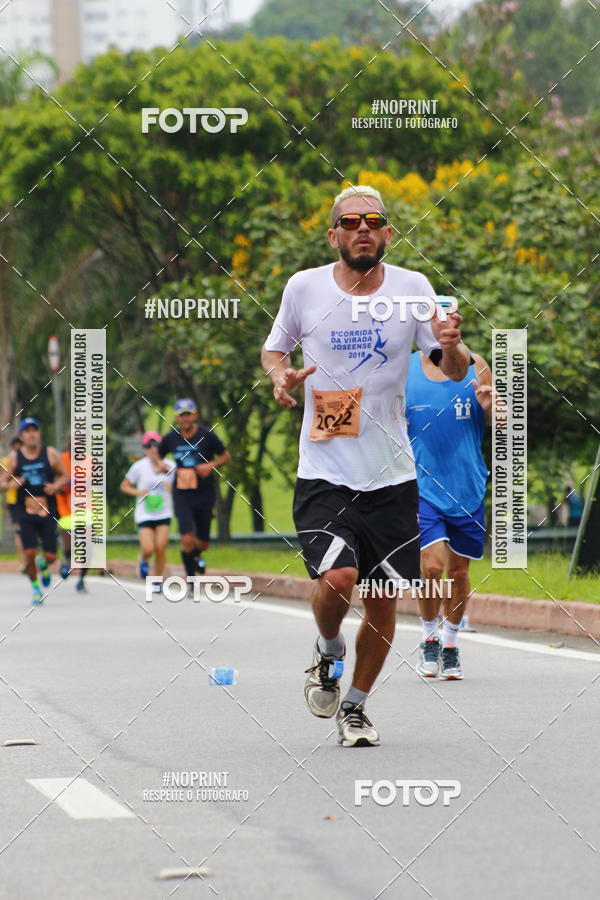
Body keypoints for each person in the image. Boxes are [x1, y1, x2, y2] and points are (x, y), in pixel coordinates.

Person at [261, 185, 470, 747]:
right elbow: (275, 349)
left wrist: (452, 344)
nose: (362, 229)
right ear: (334, 234)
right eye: (350, 221)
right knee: (339, 576)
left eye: (373, 221)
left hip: (392, 476)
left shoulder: (412, 289)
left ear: (386, 234)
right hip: (325, 469)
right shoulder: (303, 287)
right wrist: (281, 377)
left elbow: (451, 369)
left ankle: (355, 706)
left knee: (381, 599)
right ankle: (329, 648)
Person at [406, 350, 492, 680]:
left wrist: (491, 408)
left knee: (458, 571)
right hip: (422, 486)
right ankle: (429, 636)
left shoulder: (476, 365)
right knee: (431, 567)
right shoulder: (406, 366)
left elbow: (502, 421)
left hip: (467, 485)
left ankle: (451, 644)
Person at [158, 399, 230, 581]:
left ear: (195, 415)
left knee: (203, 543)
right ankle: (191, 579)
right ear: (177, 417)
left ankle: (197, 555)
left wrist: (210, 465)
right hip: (182, 493)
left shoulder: (207, 435)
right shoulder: (171, 438)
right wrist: (161, 465)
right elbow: (156, 457)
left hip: (204, 493)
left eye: (188, 414)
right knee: (187, 539)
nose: (185, 419)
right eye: (182, 415)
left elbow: (225, 456)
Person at [0, 418, 68, 604]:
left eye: (34, 430)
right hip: (25, 511)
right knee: (29, 553)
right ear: (21, 436)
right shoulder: (15, 458)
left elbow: (65, 476)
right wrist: (12, 484)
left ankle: (44, 565)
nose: (31, 434)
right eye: (27, 431)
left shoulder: (51, 454)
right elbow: (2, 482)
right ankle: (36, 589)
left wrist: (55, 486)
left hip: (47, 509)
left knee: (51, 556)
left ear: (39, 433)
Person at [120, 431, 175, 592]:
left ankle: (157, 582)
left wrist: (170, 487)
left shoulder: (170, 465)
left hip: (163, 512)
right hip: (144, 514)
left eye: (155, 445)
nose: (152, 449)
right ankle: (143, 559)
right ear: (144, 449)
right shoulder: (138, 467)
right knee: (149, 548)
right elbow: (124, 486)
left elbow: (177, 487)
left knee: (161, 547)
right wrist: (138, 492)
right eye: (148, 446)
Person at [55, 436, 87, 592]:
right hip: (66, 509)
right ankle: (66, 561)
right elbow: (58, 482)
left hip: (88, 509)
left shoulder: (90, 461)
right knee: (69, 546)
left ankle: (81, 580)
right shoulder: (60, 459)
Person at [1, 436, 25, 565]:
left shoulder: (31, 460)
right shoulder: (5, 462)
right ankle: (23, 563)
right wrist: (11, 484)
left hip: (32, 501)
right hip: (14, 501)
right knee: (19, 531)